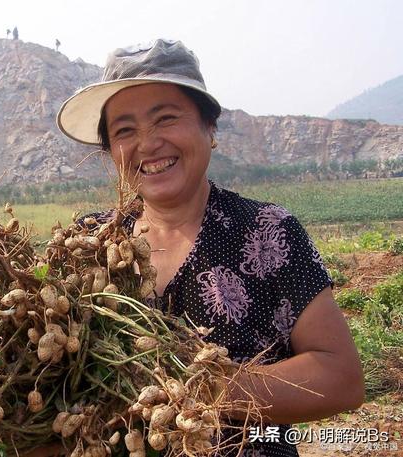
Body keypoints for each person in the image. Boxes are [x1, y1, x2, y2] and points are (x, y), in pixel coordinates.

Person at [52, 39, 364, 456]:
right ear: (111, 152)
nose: (147, 144)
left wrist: (208, 385)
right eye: (124, 131)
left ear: (209, 127)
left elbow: (340, 377)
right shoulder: (87, 242)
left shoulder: (268, 232)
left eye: (165, 119)